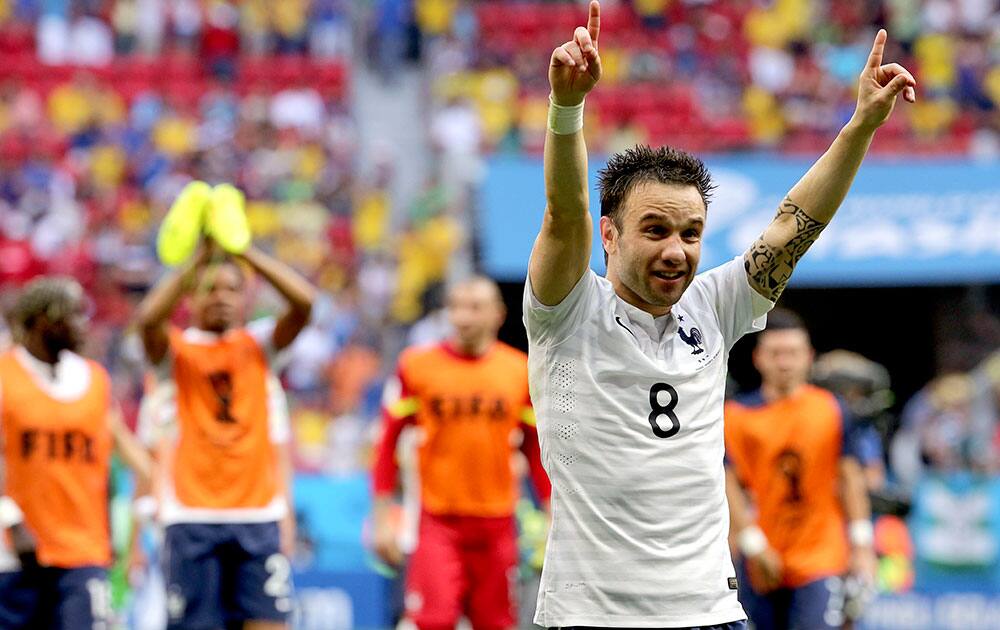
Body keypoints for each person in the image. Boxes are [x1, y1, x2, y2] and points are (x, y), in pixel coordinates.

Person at [524, 1, 915, 627]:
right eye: (655, 230)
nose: (676, 251)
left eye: (691, 232)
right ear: (610, 235)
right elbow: (561, 215)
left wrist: (861, 125)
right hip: (594, 616)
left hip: (711, 611)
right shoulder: (567, 312)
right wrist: (567, 108)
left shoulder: (712, 305)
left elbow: (793, 226)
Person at [133, 236, 315, 630]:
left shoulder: (260, 345)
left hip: (257, 513)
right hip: (191, 514)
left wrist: (245, 252)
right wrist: (196, 262)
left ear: (247, 298)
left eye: (233, 289)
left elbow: (305, 304)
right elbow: (147, 320)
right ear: (190, 298)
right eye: (210, 289)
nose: (221, 297)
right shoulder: (175, 351)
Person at [372, 275, 551, 630]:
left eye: (474, 308)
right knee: (433, 621)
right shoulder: (415, 366)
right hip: (438, 521)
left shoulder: (519, 371)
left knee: (496, 623)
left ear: (498, 314)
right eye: (455, 308)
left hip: (498, 524)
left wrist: (552, 514)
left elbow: (535, 450)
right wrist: (380, 521)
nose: (463, 317)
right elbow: (387, 444)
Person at [0, 277, 151, 629]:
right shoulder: (5, 375)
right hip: (14, 553)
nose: (85, 325)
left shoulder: (95, 380)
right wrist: (10, 519)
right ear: (43, 322)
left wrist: (114, 537)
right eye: (73, 316)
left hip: (84, 550)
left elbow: (105, 463)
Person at [724, 309, 877, 630]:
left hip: (821, 556)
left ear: (808, 357)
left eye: (792, 353)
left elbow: (850, 478)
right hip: (759, 557)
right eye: (775, 353)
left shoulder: (832, 410)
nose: (784, 362)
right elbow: (727, 483)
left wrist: (862, 544)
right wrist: (753, 543)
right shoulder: (736, 416)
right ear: (758, 358)